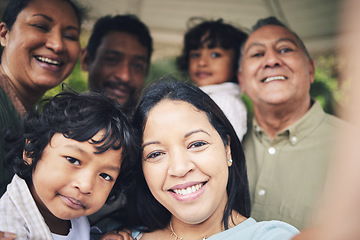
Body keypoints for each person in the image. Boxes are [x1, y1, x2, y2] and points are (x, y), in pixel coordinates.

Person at [102, 79, 299, 240]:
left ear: (227, 148)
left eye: (196, 144)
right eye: (156, 154)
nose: (179, 168)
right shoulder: (114, 234)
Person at [237, 16, 347, 230]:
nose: (271, 61)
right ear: (241, 81)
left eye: (285, 49)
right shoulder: (224, 142)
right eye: (258, 54)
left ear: (311, 70)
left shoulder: (352, 147)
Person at [0, 91, 137, 239]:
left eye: (105, 175)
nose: (85, 186)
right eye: (73, 160)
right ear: (31, 151)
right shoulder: (9, 228)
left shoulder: (74, 216)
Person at [0, 0, 84, 196]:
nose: (57, 44)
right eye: (40, 26)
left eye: (70, 35)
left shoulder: (38, 119)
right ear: (4, 34)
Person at [177, 18, 248, 140]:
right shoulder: (199, 96)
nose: (202, 62)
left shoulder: (225, 102)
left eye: (215, 54)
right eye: (195, 55)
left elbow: (227, 148)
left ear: (237, 61)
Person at [80, 14, 153, 114]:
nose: (125, 76)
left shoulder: (154, 128)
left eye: (137, 65)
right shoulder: (59, 125)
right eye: (112, 59)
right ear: (86, 60)